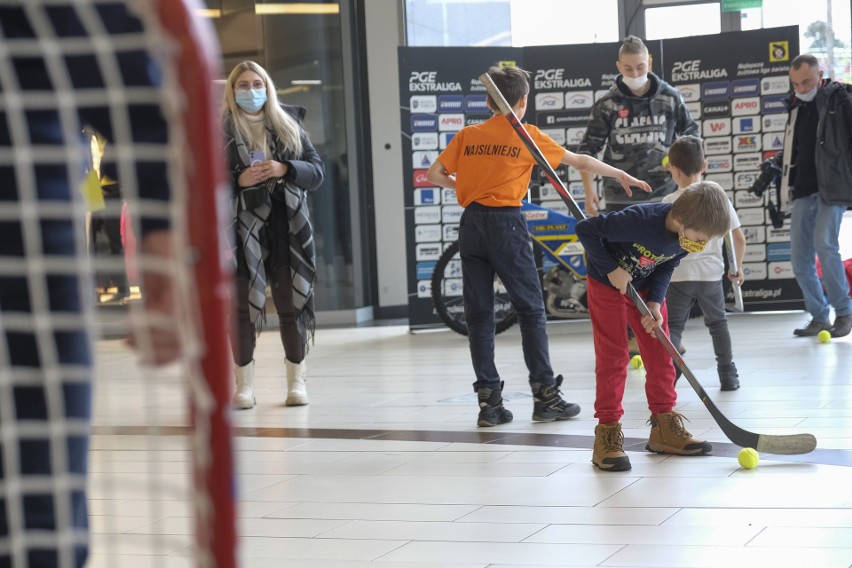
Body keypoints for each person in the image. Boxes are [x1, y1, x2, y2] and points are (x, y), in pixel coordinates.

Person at [0, 1, 209, 566]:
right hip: (30, 241)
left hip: (34, 240)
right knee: (37, 505)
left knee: (37, 502)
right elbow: (126, 75)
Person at [425, 65, 651, 427]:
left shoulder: (468, 135)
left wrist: (465, 188)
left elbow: (434, 174)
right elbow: (579, 161)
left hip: (472, 225)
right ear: (524, 101)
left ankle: (489, 405)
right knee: (530, 310)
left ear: (488, 101)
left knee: (480, 315)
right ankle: (546, 396)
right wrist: (620, 173)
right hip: (506, 224)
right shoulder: (525, 135)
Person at [575, 183, 731, 471]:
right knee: (614, 356)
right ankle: (607, 431)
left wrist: (657, 303)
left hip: (645, 288)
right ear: (681, 222)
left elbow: (666, 264)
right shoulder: (639, 220)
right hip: (607, 283)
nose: (702, 244)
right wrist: (611, 269)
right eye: (701, 238)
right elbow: (586, 229)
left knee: (662, 353)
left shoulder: (685, 239)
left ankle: (664, 427)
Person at [578, 35, 699, 356]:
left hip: (663, 198)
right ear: (618, 67)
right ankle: (630, 338)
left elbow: (692, 140)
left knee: (658, 268)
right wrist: (590, 191)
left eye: (641, 67)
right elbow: (587, 152)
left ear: (651, 64)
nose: (635, 72)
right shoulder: (607, 103)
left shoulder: (671, 98)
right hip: (620, 196)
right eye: (628, 68)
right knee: (623, 269)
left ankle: (661, 331)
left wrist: (689, 181)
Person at [223, 61, 325, 410]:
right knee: (241, 308)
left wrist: (286, 168)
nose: (251, 91)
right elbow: (201, 181)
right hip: (240, 226)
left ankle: (297, 382)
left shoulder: (288, 123)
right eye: (243, 85)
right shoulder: (219, 129)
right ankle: (244, 387)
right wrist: (238, 181)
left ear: (267, 87)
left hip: (286, 222)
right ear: (232, 91)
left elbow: (317, 171)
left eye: (257, 84)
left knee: (290, 303)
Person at [754, 54, 852, 338]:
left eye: (806, 81)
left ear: (820, 74)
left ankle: (844, 313)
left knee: (825, 244)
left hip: (831, 188)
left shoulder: (839, 99)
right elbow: (794, 150)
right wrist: (774, 166)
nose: (800, 87)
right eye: (795, 83)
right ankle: (820, 316)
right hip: (801, 191)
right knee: (799, 259)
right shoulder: (794, 106)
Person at [661, 137, 746, 391]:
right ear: (704, 166)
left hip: (678, 275)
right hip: (710, 275)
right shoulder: (718, 197)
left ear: (674, 169)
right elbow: (738, 238)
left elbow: (662, 241)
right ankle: (727, 374)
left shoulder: (669, 201)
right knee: (718, 323)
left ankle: (670, 374)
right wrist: (737, 267)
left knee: (674, 326)